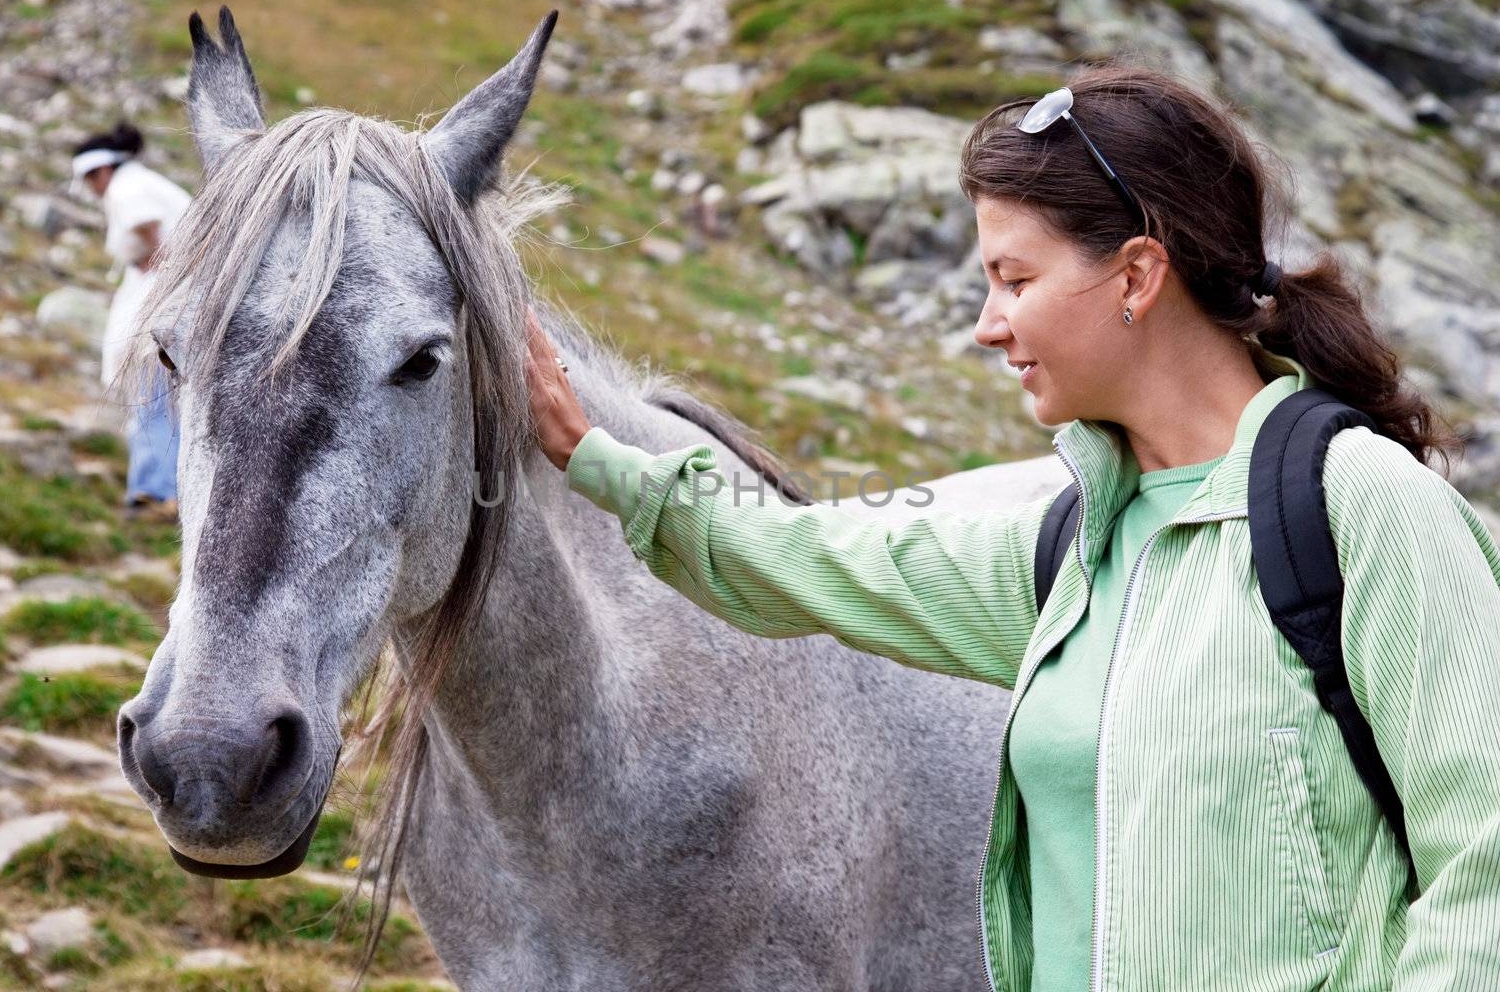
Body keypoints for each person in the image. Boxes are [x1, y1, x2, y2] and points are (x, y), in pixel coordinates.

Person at [523, 65, 1500, 990]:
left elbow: (1485, 867)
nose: (987, 325)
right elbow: (807, 555)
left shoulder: (1359, 508)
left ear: (1135, 276)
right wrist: (595, 453)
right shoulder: (1070, 549)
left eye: (1013, 278)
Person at [70, 121, 191, 517]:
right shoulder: (141, 181)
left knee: (150, 389)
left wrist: (162, 269)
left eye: (91, 179)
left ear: (100, 171)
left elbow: (154, 232)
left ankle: (159, 492)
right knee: (157, 393)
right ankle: (155, 487)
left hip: (163, 295)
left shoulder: (127, 187)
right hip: (169, 289)